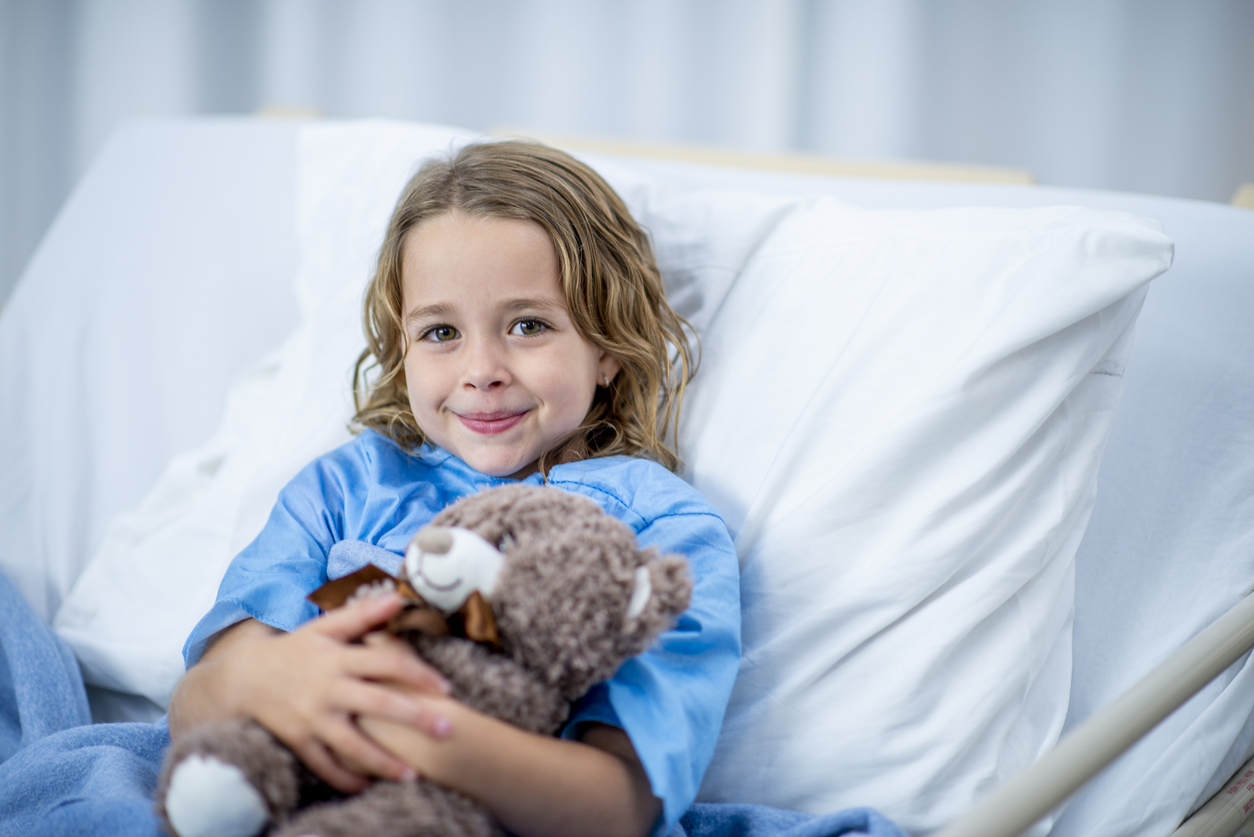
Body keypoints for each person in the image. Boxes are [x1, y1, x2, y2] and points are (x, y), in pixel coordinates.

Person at [166, 140, 741, 837]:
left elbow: (617, 808)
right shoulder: (345, 486)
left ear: (608, 346)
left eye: (528, 325)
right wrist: (264, 682)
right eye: (440, 331)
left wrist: (411, 728)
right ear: (401, 349)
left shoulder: (665, 532)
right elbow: (200, 698)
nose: (482, 368)